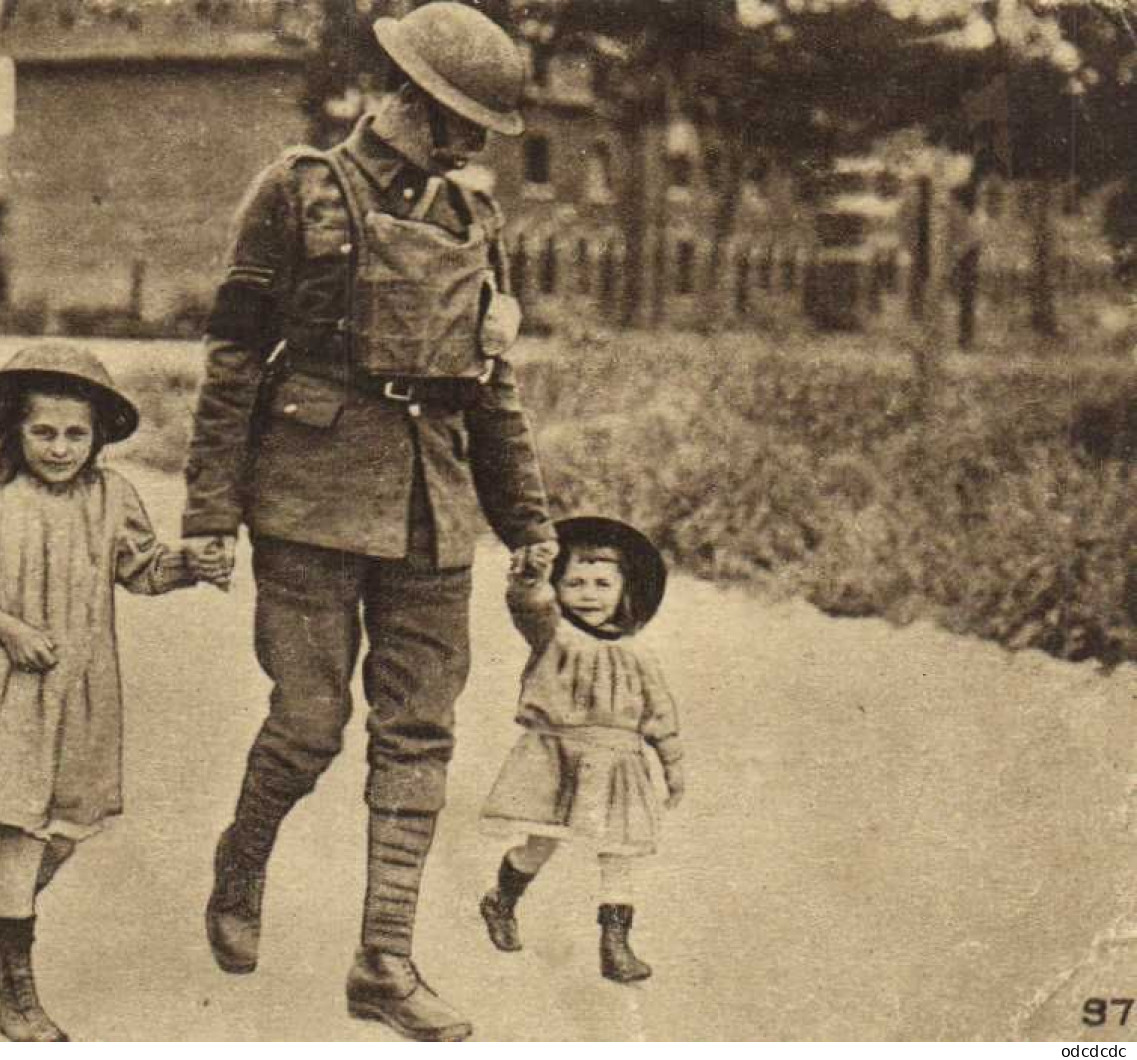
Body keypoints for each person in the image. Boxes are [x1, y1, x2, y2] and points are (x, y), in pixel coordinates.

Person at [182, 3, 556, 1042]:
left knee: (419, 732)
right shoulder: (297, 190)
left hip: (432, 508)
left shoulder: (473, 221)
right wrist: (210, 513)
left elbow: (491, 387)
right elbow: (229, 360)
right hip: (306, 492)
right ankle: (241, 860)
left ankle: (382, 963)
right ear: (408, 99)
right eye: (459, 119)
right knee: (308, 725)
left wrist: (528, 520)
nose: (472, 143)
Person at [0, 343, 227, 1042]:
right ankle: (18, 998)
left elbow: (139, 568)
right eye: (42, 432)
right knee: (22, 833)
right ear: (13, 429)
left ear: (98, 436)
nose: (59, 448)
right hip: (1, 684)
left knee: (68, 826)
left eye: (75, 434)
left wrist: (188, 566)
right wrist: (7, 629)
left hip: (80, 687)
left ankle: (0, 911)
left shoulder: (112, 495)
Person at [477, 516, 686, 983]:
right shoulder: (554, 636)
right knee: (541, 842)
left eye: (601, 584)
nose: (589, 594)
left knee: (619, 850)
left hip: (620, 763)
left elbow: (659, 714)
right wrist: (529, 579)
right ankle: (502, 899)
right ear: (559, 589)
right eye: (575, 583)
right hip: (559, 757)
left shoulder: (638, 653)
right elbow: (528, 606)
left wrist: (672, 764)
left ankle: (615, 945)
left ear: (623, 589)